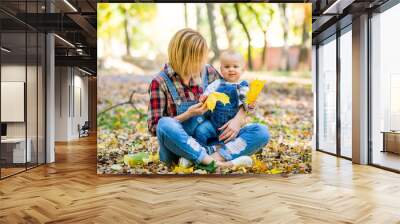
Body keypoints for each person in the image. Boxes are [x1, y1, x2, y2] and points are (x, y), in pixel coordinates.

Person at [147, 28, 270, 170]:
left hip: (214, 141)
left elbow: (234, 95)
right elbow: (155, 128)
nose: (201, 64)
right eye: (197, 59)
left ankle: (206, 161)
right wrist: (188, 114)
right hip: (179, 147)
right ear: (182, 57)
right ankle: (220, 163)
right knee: (165, 123)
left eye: (202, 58)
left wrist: (237, 120)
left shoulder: (208, 72)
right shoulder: (160, 82)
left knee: (261, 132)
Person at [195, 50, 255, 150]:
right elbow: (208, 92)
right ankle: (199, 150)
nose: (231, 69)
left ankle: (219, 151)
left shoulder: (243, 86)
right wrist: (204, 97)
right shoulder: (217, 83)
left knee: (230, 139)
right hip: (213, 123)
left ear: (243, 69)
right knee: (200, 131)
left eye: (235, 66)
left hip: (231, 125)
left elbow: (246, 104)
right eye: (227, 67)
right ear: (221, 70)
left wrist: (250, 105)